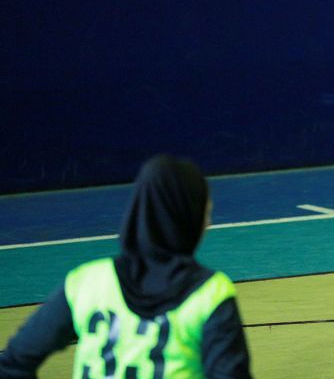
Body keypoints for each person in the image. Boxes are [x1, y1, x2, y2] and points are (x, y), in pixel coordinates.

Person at [0, 155, 253, 378]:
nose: (208, 223)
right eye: (205, 213)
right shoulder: (210, 294)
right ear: (188, 219)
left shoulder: (87, 282)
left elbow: (12, 364)